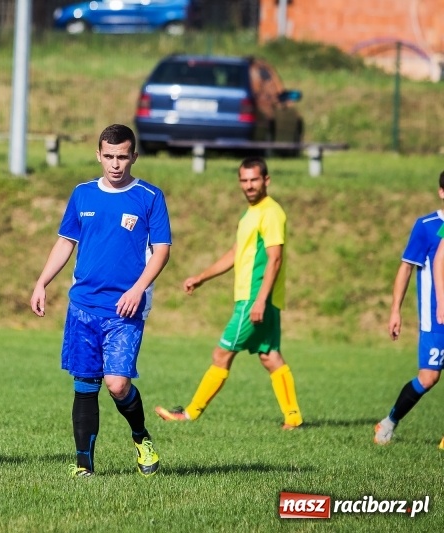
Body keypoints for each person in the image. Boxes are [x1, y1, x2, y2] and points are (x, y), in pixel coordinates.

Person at [30, 124, 171, 477]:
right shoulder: (82, 194)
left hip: (126, 308)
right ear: (98, 155)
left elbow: (162, 251)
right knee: (85, 385)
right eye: (108, 156)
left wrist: (138, 288)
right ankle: (84, 465)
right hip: (83, 307)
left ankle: (141, 437)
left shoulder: (150, 197)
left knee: (117, 384)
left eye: (122, 156)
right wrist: (42, 281)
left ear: (133, 157)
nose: (115, 164)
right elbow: (66, 242)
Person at [155, 156, 303, 430]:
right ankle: (293, 418)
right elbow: (237, 253)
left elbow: (275, 259)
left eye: (254, 179)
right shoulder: (251, 214)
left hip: (254, 298)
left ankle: (189, 414)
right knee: (270, 356)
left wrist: (259, 300)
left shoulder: (270, 213)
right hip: (259, 298)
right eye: (244, 180)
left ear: (266, 180)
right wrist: (201, 277)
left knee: (221, 354)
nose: (249, 186)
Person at [375, 172, 444, 446]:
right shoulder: (427, 226)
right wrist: (395, 310)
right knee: (428, 378)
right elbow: (405, 268)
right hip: (434, 317)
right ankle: (389, 421)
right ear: (441, 192)